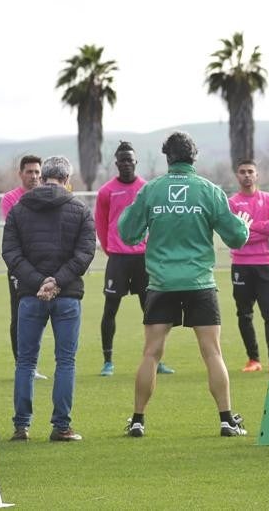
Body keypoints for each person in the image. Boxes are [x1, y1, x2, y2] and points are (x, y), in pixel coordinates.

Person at [117, 131, 251, 437]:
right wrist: (243, 224)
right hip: (199, 282)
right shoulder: (209, 190)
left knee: (151, 352)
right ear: (194, 157)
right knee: (212, 352)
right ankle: (227, 420)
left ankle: (137, 420)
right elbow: (237, 237)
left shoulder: (151, 191)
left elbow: (127, 233)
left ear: (167, 158)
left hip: (161, 283)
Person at [2, 156, 96, 442]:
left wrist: (38, 281)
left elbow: (11, 253)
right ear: (67, 180)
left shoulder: (19, 209)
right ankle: (61, 425)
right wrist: (58, 280)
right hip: (67, 295)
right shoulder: (80, 209)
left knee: (26, 362)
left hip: (30, 295)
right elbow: (85, 253)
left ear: (43, 178)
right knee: (65, 361)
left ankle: (22, 425)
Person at [95, 142, 173, 376]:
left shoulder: (147, 189)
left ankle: (155, 360)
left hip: (143, 259)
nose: (126, 164)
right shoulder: (106, 191)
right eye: (122, 160)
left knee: (151, 310)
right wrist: (111, 250)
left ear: (135, 162)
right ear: (116, 163)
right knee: (110, 309)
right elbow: (101, 223)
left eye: (130, 160)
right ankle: (108, 361)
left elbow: (155, 221)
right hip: (118, 259)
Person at [227, 159, 269, 374]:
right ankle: (253, 359)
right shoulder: (232, 203)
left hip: (266, 264)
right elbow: (235, 235)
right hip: (241, 265)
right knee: (244, 313)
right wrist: (260, 230)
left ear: (257, 175)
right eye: (242, 171)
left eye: (250, 171)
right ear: (237, 175)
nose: (246, 175)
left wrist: (250, 226)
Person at [1, 155, 45, 377]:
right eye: (29, 172)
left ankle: (32, 364)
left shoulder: (46, 196)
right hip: (20, 266)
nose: (34, 176)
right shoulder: (10, 199)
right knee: (19, 314)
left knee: (41, 314)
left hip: (44, 265)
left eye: (37, 172)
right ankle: (22, 364)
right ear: (20, 174)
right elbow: (18, 232)